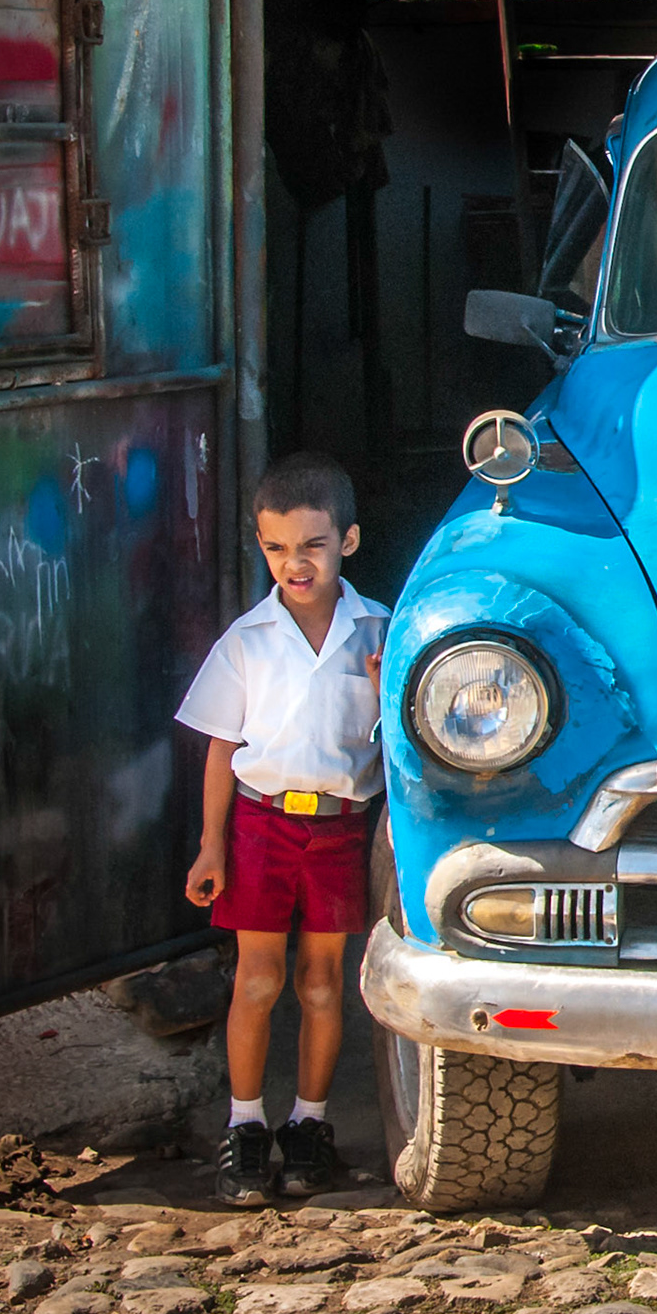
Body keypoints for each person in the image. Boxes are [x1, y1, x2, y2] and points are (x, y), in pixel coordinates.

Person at [176, 452, 391, 1205]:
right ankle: (244, 1128)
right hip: (261, 828)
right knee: (259, 979)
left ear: (349, 542)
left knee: (322, 983)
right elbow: (220, 750)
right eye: (276, 548)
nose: (294, 565)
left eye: (312, 546)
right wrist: (212, 844)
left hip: (340, 831)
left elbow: (408, 743)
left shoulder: (381, 633)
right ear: (260, 546)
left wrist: (385, 693)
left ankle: (309, 1124)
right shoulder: (247, 640)